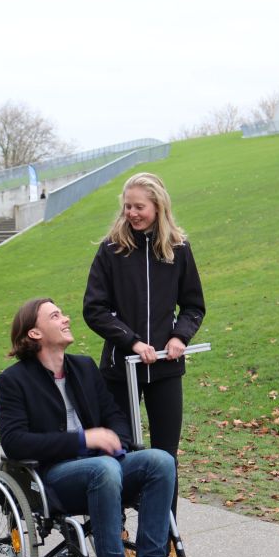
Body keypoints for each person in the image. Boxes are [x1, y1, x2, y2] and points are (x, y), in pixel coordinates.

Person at [0, 297, 200, 557]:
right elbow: (15, 442)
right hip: (57, 476)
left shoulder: (84, 367)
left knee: (161, 461)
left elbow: (113, 415)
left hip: (106, 466)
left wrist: (116, 440)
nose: (65, 318)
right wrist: (83, 439)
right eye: (55, 315)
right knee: (103, 469)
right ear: (34, 333)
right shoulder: (14, 381)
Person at [83, 172, 205, 516]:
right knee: (117, 453)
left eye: (139, 207)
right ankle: (119, 536)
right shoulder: (111, 250)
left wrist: (180, 336)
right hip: (120, 371)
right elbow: (94, 309)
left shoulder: (178, 249)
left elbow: (193, 305)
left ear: (158, 206)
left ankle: (166, 544)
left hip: (165, 370)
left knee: (166, 458)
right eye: (127, 207)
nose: (132, 213)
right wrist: (132, 342)